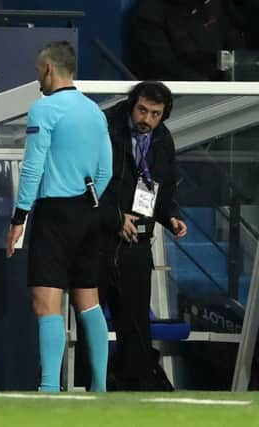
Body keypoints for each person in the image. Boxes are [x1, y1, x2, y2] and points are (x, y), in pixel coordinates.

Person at [5, 41, 112, 392]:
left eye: (39, 70)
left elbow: (33, 166)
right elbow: (106, 170)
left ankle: (49, 389)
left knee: (45, 302)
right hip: (89, 212)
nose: (37, 77)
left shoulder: (44, 109)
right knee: (88, 299)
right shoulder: (95, 112)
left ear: (49, 68)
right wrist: (89, 197)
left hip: (55, 214)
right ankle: (100, 389)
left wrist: (19, 217)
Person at [99, 81, 188, 390]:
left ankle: (135, 389)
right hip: (97, 240)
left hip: (137, 243)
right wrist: (114, 216)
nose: (146, 119)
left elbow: (163, 189)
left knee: (136, 322)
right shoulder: (105, 128)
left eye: (155, 114)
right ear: (131, 104)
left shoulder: (162, 139)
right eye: (142, 110)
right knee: (91, 318)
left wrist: (172, 217)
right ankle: (91, 387)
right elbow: (89, 181)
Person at [128, 0, 245, 81]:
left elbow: (236, 47)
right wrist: (207, 86)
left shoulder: (217, 5)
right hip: (183, 97)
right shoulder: (149, 14)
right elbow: (164, 66)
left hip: (229, 89)